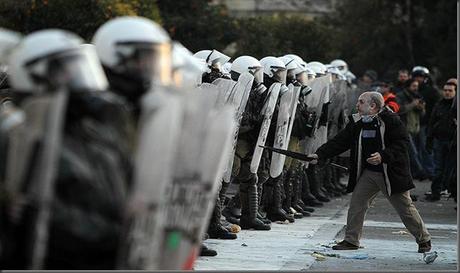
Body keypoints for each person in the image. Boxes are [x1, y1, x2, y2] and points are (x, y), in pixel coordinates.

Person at [1, 29, 133, 269]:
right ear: (35, 76)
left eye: (80, 68)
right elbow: (36, 211)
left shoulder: (93, 132)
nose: (78, 79)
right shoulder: (16, 136)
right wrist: (112, 235)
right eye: (66, 71)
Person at [308, 91, 431, 253]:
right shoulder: (358, 121)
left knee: (405, 208)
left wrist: (383, 155)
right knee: (357, 205)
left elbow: (402, 144)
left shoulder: (391, 120)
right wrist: (320, 154)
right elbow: (341, 141)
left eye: (361, 102)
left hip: (390, 173)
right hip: (369, 173)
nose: (357, 105)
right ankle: (351, 240)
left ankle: (424, 239)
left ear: (372, 106)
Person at [425, 80, 457, 201]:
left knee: (451, 170)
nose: (447, 93)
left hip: (453, 142)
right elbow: (432, 122)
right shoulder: (439, 105)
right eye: (445, 90)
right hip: (440, 140)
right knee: (438, 169)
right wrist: (429, 139)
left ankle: (451, 192)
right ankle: (436, 193)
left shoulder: (455, 107)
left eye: (450, 91)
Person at [411, 66, 439, 180]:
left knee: (426, 148)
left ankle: (430, 171)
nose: (418, 79)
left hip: (425, 123)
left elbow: (435, 107)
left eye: (420, 77)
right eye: (416, 77)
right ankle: (419, 171)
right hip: (414, 124)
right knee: (415, 149)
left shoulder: (431, 91)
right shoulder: (413, 90)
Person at [396, 78, 427, 179]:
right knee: (413, 152)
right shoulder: (401, 96)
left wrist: (421, 109)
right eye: (414, 86)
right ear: (408, 86)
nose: (415, 88)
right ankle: (420, 172)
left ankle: (412, 173)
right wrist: (412, 105)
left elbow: (422, 116)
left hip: (415, 128)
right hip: (404, 128)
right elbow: (398, 110)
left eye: (417, 86)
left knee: (414, 152)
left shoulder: (418, 96)